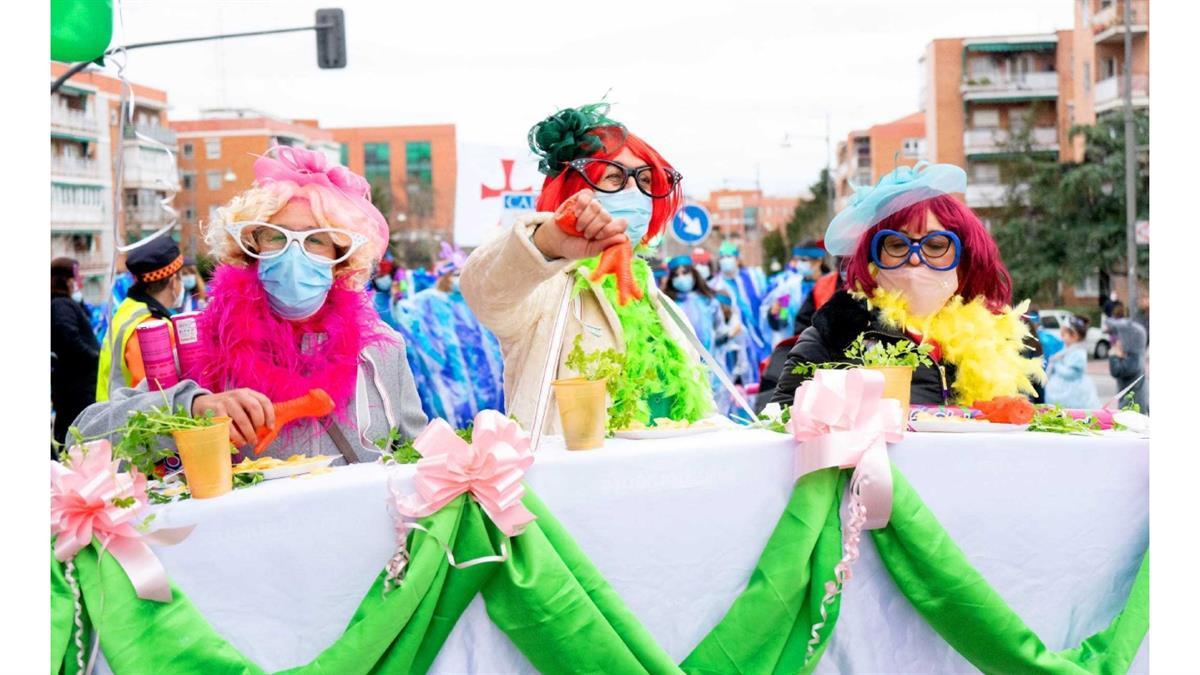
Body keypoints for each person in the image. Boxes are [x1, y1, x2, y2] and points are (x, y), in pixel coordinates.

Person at [75, 146, 426, 462]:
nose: (294, 254)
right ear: (251, 248)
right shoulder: (196, 342)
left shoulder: (381, 350)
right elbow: (86, 437)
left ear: (340, 259)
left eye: (316, 240)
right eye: (276, 236)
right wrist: (192, 406)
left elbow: (419, 456)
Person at [460, 103, 714, 431]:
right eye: (615, 177)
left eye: (647, 181)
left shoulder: (661, 304)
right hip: (576, 480)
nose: (636, 192)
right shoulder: (545, 290)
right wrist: (548, 240)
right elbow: (485, 290)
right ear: (576, 191)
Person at [771, 162, 1042, 407]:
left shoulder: (998, 337)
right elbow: (781, 418)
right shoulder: (837, 331)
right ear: (873, 254)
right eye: (897, 244)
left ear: (965, 255)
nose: (915, 257)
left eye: (935, 245)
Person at [398, 243, 505, 428]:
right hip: (448, 379)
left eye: (464, 273)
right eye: (455, 274)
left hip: (482, 380)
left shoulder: (476, 300)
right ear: (445, 276)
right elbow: (408, 320)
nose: (460, 278)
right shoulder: (429, 299)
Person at [93, 235, 187, 402]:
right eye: (182, 275)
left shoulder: (128, 308)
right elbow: (157, 397)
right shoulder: (152, 328)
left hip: (114, 417)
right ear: (173, 281)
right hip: (134, 423)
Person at [51, 258, 100, 448]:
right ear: (65, 279)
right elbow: (69, 339)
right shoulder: (61, 305)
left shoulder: (66, 304)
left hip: (77, 384)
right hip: (75, 386)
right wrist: (94, 356)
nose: (79, 281)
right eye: (76, 276)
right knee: (76, 434)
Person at [710, 240, 769, 381]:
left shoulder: (754, 277)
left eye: (729, 256)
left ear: (737, 259)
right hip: (732, 342)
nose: (725, 260)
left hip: (759, 337)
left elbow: (766, 301)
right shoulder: (713, 285)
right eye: (722, 257)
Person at [759, 242, 827, 349]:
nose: (799, 264)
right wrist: (775, 313)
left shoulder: (831, 285)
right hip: (796, 347)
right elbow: (782, 320)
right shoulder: (788, 288)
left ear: (818, 261)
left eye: (804, 260)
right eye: (797, 260)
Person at [1045, 315, 1100, 409]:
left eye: (1064, 335)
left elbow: (1072, 374)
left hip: (1074, 390)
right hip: (1063, 386)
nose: (1061, 338)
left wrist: (1056, 365)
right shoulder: (1067, 350)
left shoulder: (1079, 353)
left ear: (1074, 335)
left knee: (1073, 410)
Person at [1107, 302, 1149, 412]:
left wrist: (1113, 356)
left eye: (1120, 338)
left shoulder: (1134, 360)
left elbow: (1117, 371)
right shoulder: (1133, 355)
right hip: (1131, 404)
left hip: (1133, 407)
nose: (1117, 341)